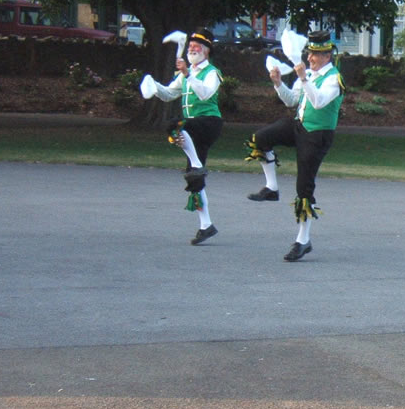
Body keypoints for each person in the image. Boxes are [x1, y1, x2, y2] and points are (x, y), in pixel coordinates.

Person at [244, 29, 344, 261]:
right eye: (309, 53)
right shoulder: (308, 74)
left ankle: (303, 240)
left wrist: (304, 79)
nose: (309, 58)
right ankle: (271, 188)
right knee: (261, 138)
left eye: (314, 55)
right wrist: (278, 83)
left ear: (327, 56)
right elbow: (292, 100)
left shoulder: (334, 79)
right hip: (299, 126)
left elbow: (318, 102)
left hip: (317, 135)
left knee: (304, 187)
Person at [141, 27, 223, 245]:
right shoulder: (186, 74)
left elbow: (205, 94)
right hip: (192, 128)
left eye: (197, 46)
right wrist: (154, 86)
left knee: (174, 125)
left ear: (206, 51)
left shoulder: (212, 72)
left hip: (209, 122)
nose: (192, 49)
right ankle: (206, 225)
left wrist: (187, 74)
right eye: (190, 46)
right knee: (194, 180)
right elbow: (169, 94)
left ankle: (196, 165)